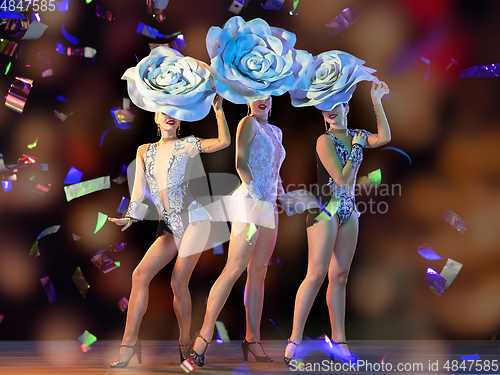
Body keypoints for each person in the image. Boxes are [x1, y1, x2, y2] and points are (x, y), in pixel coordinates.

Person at [108, 94, 230, 368]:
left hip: (196, 220)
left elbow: (223, 142)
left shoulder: (187, 145)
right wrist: (129, 218)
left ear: (181, 120)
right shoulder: (144, 151)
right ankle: (129, 343)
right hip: (171, 226)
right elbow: (138, 194)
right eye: (164, 111)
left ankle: (184, 342)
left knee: (177, 282)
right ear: (155, 116)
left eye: (175, 112)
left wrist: (218, 110)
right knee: (139, 275)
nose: (169, 115)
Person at [284, 81, 391, 365]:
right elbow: (342, 179)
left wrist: (376, 101)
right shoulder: (324, 141)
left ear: (346, 106)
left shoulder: (357, 134)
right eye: (324, 108)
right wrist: (356, 149)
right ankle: (294, 338)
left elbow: (383, 138)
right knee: (316, 274)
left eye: (335, 105)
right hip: (324, 210)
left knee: (340, 277)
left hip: (348, 211)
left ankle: (340, 341)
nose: (330, 111)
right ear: (321, 114)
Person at [190, 96, 285, 366]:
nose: (262, 100)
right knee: (234, 268)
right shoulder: (247, 123)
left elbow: (274, 172)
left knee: (259, 271)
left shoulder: (276, 131)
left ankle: (252, 339)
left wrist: (284, 197)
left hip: (267, 206)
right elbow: (240, 163)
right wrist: (258, 198)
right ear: (247, 99)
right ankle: (205, 335)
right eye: (255, 94)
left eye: (266, 93)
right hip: (250, 203)